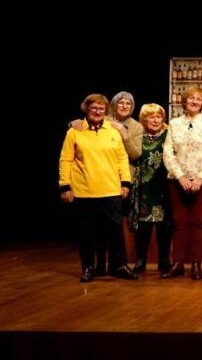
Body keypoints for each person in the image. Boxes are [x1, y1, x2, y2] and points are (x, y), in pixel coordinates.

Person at [58, 93, 137, 282]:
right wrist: (64, 186)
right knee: (86, 233)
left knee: (115, 230)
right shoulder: (75, 131)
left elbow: (121, 158)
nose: (97, 111)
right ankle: (88, 267)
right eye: (94, 108)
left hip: (110, 189)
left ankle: (119, 265)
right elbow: (65, 159)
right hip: (84, 190)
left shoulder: (112, 130)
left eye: (101, 109)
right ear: (87, 109)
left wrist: (125, 182)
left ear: (106, 111)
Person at [161, 86, 202, 280]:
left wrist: (200, 177)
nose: (194, 101)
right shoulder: (174, 123)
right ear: (184, 102)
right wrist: (180, 176)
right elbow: (168, 153)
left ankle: (196, 263)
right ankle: (177, 263)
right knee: (178, 222)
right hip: (177, 180)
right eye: (190, 98)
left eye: (198, 99)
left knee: (198, 221)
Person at [128, 103, 173, 274]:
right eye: (151, 117)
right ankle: (141, 261)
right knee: (143, 226)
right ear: (144, 119)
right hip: (143, 187)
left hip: (164, 185)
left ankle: (163, 260)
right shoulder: (138, 136)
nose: (155, 120)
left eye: (158, 116)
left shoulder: (169, 135)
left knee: (165, 225)